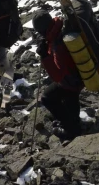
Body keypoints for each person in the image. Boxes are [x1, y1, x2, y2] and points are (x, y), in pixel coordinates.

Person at [32, 9, 84, 142]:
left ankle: (71, 129)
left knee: (48, 98)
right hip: (77, 76)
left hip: (71, 82)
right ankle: (72, 121)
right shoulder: (58, 29)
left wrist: (44, 57)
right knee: (63, 98)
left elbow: (58, 76)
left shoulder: (57, 43)